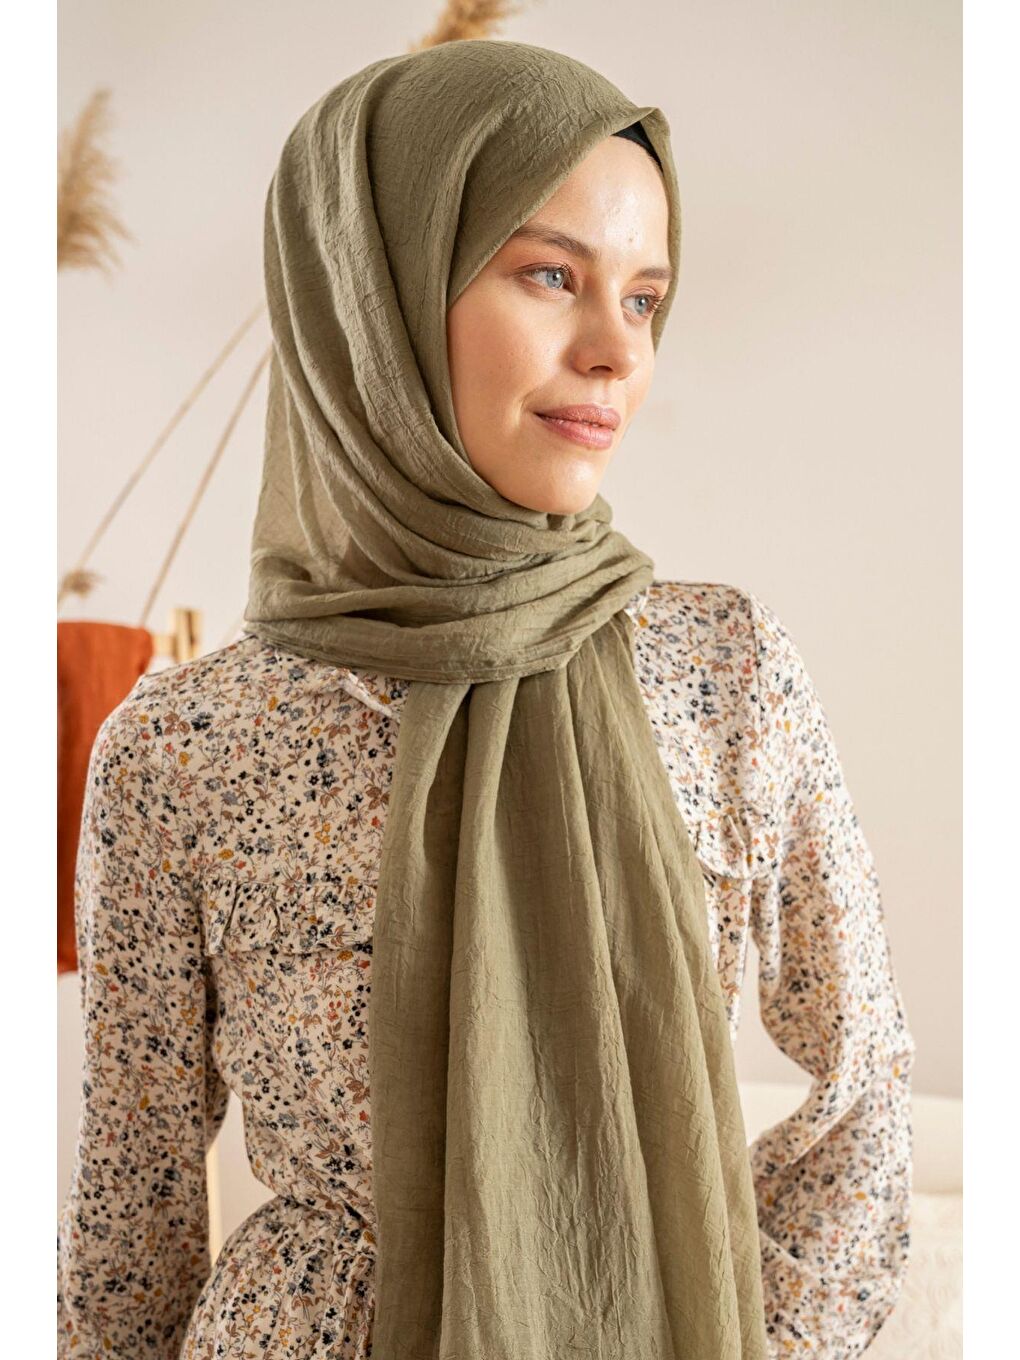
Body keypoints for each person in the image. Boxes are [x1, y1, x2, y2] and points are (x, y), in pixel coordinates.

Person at [57, 39, 915, 1360]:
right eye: (551, 274)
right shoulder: (183, 748)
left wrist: (769, 1332)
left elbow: (865, 1084)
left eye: (644, 297)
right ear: (375, 296)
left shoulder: (724, 671)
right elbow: (134, 1202)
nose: (614, 350)